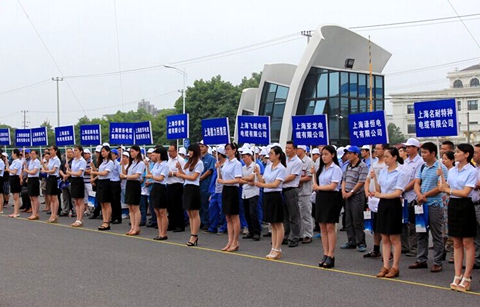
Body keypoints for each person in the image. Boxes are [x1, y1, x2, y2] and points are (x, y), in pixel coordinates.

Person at [439, 144, 477, 292]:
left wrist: (447, 189)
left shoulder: (472, 171)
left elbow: (465, 192)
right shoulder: (452, 170)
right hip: (453, 204)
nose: (455, 154)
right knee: (456, 242)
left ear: (466, 154)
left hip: (465, 205)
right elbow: (448, 186)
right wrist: (442, 181)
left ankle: (467, 277)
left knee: (467, 242)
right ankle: (457, 275)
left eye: (458, 152)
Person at [409, 142, 448, 273]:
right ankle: (421, 259)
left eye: (425, 153)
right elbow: (417, 183)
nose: (423, 155)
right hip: (422, 204)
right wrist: (419, 194)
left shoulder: (441, 168)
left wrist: (424, 194)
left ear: (433, 153)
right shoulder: (422, 167)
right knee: (421, 233)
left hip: (435, 205)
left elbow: (441, 186)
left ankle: (437, 261)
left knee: (436, 235)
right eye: (422, 153)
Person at [370, 147, 408, 278]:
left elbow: (398, 193)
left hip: (393, 204)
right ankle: (385, 265)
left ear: (395, 157)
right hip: (383, 204)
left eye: (387, 156)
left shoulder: (401, 173)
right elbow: (378, 189)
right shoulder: (383, 172)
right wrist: (374, 178)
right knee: (384, 237)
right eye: (384, 157)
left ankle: (395, 267)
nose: (385, 159)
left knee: (394, 237)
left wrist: (381, 195)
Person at [312, 145, 342, 268]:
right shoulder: (321, 168)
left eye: (326, 154)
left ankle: (331, 254)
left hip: (332, 198)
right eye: (322, 154)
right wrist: (314, 176)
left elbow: (333, 186)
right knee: (322, 227)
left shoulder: (336, 169)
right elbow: (316, 184)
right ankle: (325, 253)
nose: (324, 157)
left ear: (333, 155)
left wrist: (318, 187)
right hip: (321, 198)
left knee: (330, 227)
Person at [255, 146, 286, 260]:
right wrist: (258, 174)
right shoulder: (268, 166)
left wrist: (261, 185)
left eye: (272, 153)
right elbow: (263, 180)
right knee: (272, 224)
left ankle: (278, 248)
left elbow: (275, 184)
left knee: (278, 223)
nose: (270, 155)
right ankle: (273, 247)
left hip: (275, 195)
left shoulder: (281, 168)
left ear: (278, 155)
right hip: (267, 195)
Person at [174, 143, 204, 246]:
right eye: (189, 151)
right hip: (186, 187)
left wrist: (181, 174)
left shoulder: (199, 163)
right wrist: (179, 169)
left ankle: (194, 235)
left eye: (191, 151)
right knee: (189, 213)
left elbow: (194, 177)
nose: (190, 153)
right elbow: (185, 176)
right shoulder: (188, 163)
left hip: (194, 188)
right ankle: (192, 233)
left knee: (194, 213)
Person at [341, 146, 368, 252]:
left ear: (356, 154)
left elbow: (361, 182)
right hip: (346, 194)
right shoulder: (347, 166)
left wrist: (351, 192)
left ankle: (361, 242)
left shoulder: (362, 166)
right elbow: (344, 179)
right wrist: (343, 191)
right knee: (348, 219)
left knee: (357, 219)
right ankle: (351, 241)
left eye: (350, 153)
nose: (348, 155)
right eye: (347, 153)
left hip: (357, 195)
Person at [363, 144, 388, 258]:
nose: (376, 151)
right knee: (375, 225)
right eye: (375, 149)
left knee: (385, 226)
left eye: (378, 149)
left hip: (384, 197)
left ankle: (388, 251)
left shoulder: (387, 164)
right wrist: (367, 192)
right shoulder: (374, 164)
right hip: (373, 198)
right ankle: (376, 248)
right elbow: (367, 180)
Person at [217, 142, 242, 252]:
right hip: (225, 189)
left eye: (228, 149)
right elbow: (222, 176)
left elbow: (238, 179)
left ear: (234, 150)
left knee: (234, 217)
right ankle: (229, 241)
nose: (226, 151)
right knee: (228, 217)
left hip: (233, 190)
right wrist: (218, 169)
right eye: (225, 149)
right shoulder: (226, 162)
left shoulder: (237, 163)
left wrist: (224, 181)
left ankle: (235, 241)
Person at [401, 138, 424, 257]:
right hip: (403, 196)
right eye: (406, 147)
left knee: (413, 224)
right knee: (404, 222)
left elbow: (416, 180)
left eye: (410, 147)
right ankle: (405, 246)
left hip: (413, 196)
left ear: (416, 148)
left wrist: (404, 189)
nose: (407, 149)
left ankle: (415, 247)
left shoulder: (419, 162)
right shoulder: (405, 162)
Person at [121, 145, 145, 236]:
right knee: (130, 207)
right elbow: (125, 173)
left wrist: (126, 176)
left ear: (138, 152)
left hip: (135, 184)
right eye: (130, 152)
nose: (131, 153)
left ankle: (136, 227)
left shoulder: (141, 163)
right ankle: (132, 226)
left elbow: (136, 175)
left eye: (133, 151)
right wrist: (123, 166)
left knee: (135, 207)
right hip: (129, 184)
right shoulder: (132, 163)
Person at [146, 147, 170, 240]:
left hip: (162, 187)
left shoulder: (165, 165)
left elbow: (161, 178)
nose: (154, 155)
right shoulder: (156, 164)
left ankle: (164, 233)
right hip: (155, 187)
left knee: (162, 212)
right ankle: (160, 232)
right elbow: (150, 174)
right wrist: (147, 166)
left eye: (156, 153)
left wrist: (151, 176)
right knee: (157, 211)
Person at [283, 141, 303, 248]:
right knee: (285, 216)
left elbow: (292, 177)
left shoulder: (298, 162)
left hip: (292, 189)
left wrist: (279, 181)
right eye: (286, 148)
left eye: (289, 148)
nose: (287, 150)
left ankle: (295, 237)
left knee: (294, 215)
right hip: (283, 189)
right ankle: (286, 236)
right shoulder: (285, 160)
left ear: (295, 149)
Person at [90, 145, 114, 231]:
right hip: (100, 182)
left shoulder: (110, 162)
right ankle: (104, 220)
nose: (102, 153)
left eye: (104, 151)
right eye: (102, 151)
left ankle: (107, 221)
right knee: (102, 203)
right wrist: (93, 169)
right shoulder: (102, 162)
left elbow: (104, 173)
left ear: (108, 152)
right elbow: (98, 172)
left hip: (106, 183)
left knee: (107, 203)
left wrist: (93, 171)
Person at [240, 148, 261, 241]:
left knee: (253, 213)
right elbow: (240, 180)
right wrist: (247, 181)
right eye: (242, 157)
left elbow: (251, 177)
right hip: (244, 192)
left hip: (253, 192)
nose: (243, 159)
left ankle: (257, 232)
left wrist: (245, 180)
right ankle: (251, 231)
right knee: (247, 213)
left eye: (245, 157)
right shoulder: (243, 168)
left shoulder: (255, 166)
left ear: (250, 156)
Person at [65, 145, 87, 227]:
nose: (75, 152)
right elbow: (73, 171)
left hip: (79, 181)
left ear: (81, 151)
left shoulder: (82, 161)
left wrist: (70, 173)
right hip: (73, 180)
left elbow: (79, 173)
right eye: (74, 150)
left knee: (80, 201)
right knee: (76, 201)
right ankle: (77, 218)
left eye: (76, 150)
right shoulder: (74, 160)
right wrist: (68, 169)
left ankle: (80, 219)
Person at [296, 145, 314, 244]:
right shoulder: (295, 161)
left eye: (297, 149)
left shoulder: (308, 161)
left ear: (302, 150)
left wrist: (296, 180)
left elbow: (309, 176)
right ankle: (300, 233)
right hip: (296, 191)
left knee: (306, 214)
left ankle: (308, 234)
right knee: (298, 214)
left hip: (305, 191)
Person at [166, 143, 186, 232]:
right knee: (170, 206)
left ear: (176, 151)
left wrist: (173, 173)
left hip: (177, 184)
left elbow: (183, 174)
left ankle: (180, 225)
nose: (169, 153)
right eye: (169, 151)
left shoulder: (181, 160)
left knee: (177, 206)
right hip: (169, 184)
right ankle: (172, 223)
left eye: (171, 151)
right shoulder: (169, 160)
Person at [441, 150, 455, 263]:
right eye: (443, 159)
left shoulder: (454, 171)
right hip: (444, 201)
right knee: (444, 226)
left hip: (453, 200)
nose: (443, 161)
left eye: (446, 159)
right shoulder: (444, 171)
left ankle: (455, 252)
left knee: (454, 226)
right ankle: (444, 249)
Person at [199, 141, 216, 231]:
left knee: (206, 204)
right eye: (200, 146)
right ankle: (201, 221)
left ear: (207, 147)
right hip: (199, 185)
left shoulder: (211, 158)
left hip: (206, 184)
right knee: (201, 204)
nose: (201, 148)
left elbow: (210, 171)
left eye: (202, 146)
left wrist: (200, 178)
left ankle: (207, 222)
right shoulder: (199, 158)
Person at [42, 146, 61, 223]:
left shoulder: (57, 160)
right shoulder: (50, 159)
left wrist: (46, 171)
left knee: (54, 198)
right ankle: (52, 214)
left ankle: (54, 214)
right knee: (50, 197)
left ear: (55, 151)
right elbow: (47, 168)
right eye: (50, 150)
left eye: (52, 150)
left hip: (54, 178)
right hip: (49, 178)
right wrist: (43, 165)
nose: (50, 151)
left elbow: (53, 170)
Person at [24, 149, 41, 220]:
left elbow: (34, 172)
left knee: (34, 197)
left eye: (33, 154)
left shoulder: (37, 162)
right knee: (31, 197)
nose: (32, 155)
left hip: (34, 179)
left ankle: (36, 213)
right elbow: (29, 171)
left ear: (37, 155)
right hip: (30, 179)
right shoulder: (31, 161)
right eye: (31, 154)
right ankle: (33, 212)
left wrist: (26, 170)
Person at [6, 149, 22, 218]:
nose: (11, 155)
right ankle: (15, 212)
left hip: (15, 178)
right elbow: (9, 169)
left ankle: (16, 212)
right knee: (14, 196)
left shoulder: (18, 162)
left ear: (15, 154)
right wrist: (7, 164)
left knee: (16, 197)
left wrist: (8, 170)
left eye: (12, 153)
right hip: (12, 178)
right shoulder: (14, 161)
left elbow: (14, 172)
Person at [110, 149, 122, 224]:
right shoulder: (109, 163)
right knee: (111, 201)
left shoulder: (117, 164)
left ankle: (118, 217)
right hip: (110, 182)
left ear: (116, 156)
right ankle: (113, 217)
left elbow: (120, 174)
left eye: (112, 154)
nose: (111, 155)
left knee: (116, 201)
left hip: (116, 182)